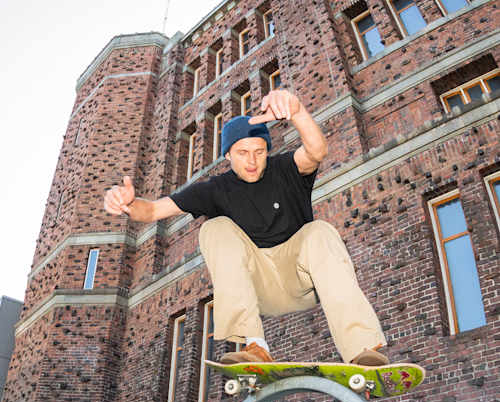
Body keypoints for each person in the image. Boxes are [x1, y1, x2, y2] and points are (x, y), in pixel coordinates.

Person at [104, 88, 388, 367]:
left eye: (259, 152)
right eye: (242, 153)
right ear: (227, 155)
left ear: (267, 150)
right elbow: (153, 209)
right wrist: (128, 204)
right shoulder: (215, 189)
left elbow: (316, 151)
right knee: (214, 229)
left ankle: (361, 350)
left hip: (303, 279)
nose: (252, 162)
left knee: (321, 232)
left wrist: (298, 111)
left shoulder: (285, 169)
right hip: (257, 287)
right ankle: (255, 345)